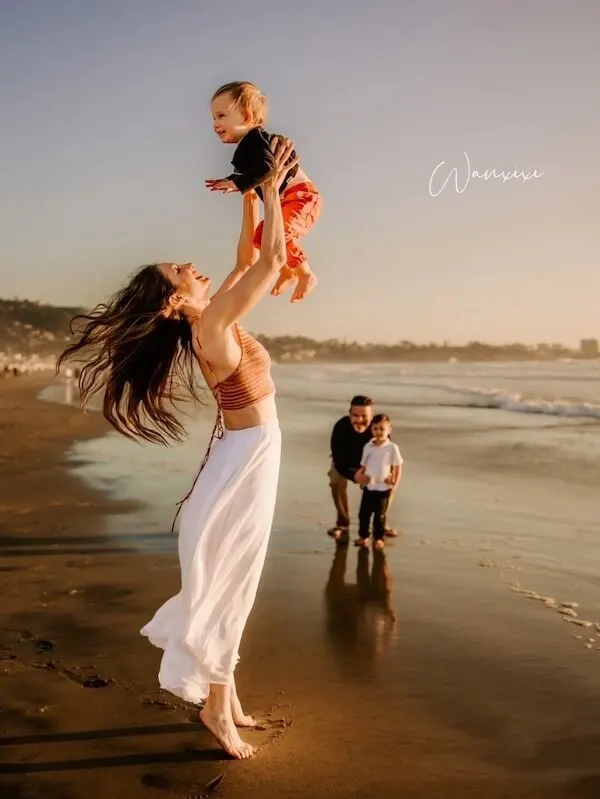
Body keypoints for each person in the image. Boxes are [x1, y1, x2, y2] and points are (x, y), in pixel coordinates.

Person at [57, 138, 297, 761]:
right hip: (245, 462)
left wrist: (249, 196)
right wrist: (271, 188)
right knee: (233, 583)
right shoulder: (211, 325)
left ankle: (229, 697)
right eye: (184, 270)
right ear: (174, 300)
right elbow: (269, 266)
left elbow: (248, 256)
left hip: (243, 456)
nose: (197, 266)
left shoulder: (209, 316)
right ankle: (217, 713)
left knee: (229, 580)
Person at [206, 80, 322, 304]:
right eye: (213, 118)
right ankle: (287, 270)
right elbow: (256, 173)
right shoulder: (248, 147)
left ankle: (306, 274)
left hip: (302, 197)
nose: (215, 123)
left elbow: (268, 169)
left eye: (221, 116)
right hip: (286, 199)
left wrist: (238, 184)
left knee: (282, 234)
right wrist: (231, 181)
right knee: (262, 236)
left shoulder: (256, 141)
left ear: (247, 116)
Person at [328, 396, 374, 542]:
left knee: (387, 483)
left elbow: (387, 458)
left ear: (371, 416)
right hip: (344, 464)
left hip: (369, 466)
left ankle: (380, 524)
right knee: (335, 480)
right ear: (349, 414)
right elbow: (338, 461)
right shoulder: (341, 427)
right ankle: (343, 523)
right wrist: (354, 476)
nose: (359, 420)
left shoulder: (378, 427)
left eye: (364, 416)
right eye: (355, 415)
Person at [355, 414, 403, 550]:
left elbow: (398, 466)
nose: (379, 432)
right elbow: (363, 466)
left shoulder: (392, 448)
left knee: (380, 516)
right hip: (369, 487)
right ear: (371, 430)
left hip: (384, 488)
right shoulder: (368, 446)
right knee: (364, 514)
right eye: (375, 429)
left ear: (389, 430)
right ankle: (364, 537)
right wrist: (361, 480)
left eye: (382, 429)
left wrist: (394, 482)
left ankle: (378, 538)